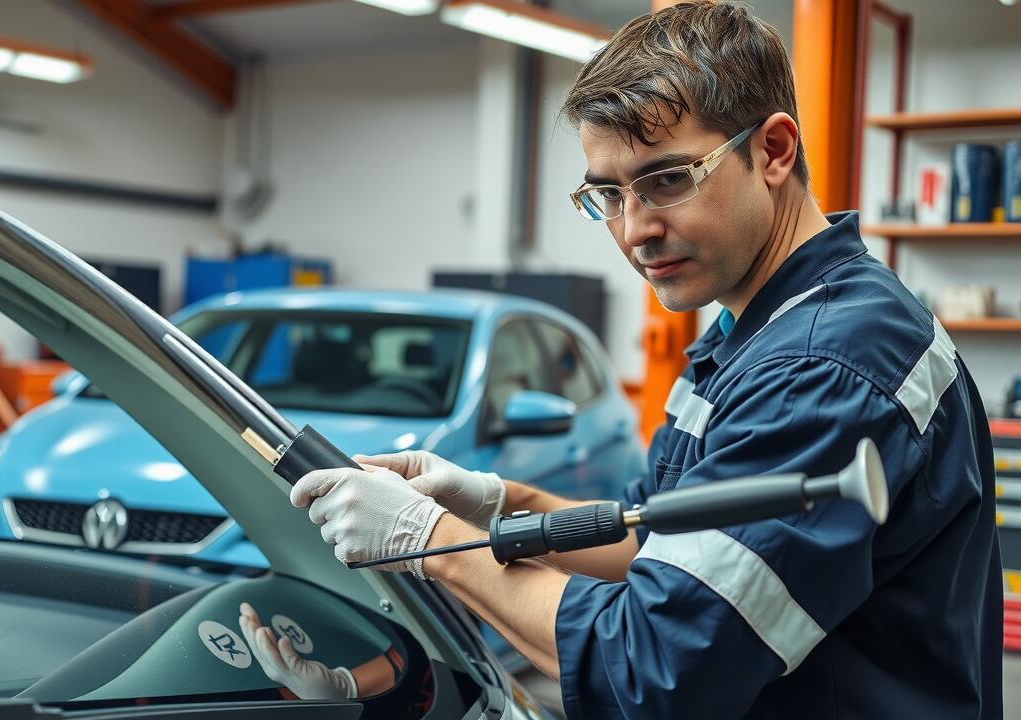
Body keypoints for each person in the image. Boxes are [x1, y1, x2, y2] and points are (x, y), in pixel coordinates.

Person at [252, 2, 1003, 717]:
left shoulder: (825, 365)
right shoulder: (749, 331)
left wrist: (429, 541)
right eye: (608, 194)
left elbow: (651, 671)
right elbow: (657, 542)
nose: (635, 231)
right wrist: (499, 504)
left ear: (773, 151)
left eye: (667, 180)